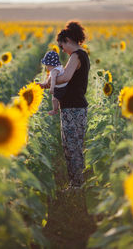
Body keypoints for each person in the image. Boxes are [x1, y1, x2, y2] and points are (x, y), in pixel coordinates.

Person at [39, 21, 90, 189]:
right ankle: (75, 184)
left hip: (74, 108)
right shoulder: (78, 55)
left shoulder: (76, 56)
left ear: (68, 40)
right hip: (72, 108)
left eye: (62, 46)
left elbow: (66, 77)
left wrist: (48, 82)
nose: (62, 51)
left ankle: (77, 186)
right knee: (70, 147)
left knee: (73, 148)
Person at [41, 51, 68, 115]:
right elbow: (50, 79)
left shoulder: (54, 71)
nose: (46, 67)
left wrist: (52, 88)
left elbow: (53, 80)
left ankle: (55, 110)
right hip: (65, 86)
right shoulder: (59, 67)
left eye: (46, 65)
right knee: (62, 100)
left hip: (60, 88)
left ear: (50, 64)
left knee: (54, 99)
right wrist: (46, 83)